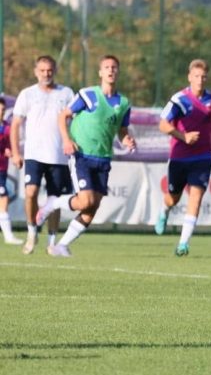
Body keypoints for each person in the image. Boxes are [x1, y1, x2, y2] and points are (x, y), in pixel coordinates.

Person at [36, 55, 135, 257]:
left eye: (114, 67)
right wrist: (66, 140)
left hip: (103, 158)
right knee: (85, 201)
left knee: (91, 208)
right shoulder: (88, 95)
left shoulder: (124, 103)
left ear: (118, 71)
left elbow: (122, 131)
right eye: (106, 67)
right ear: (100, 72)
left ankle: (60, 246)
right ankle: (53, 204)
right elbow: (63, 116)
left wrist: (127, 140)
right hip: (81, 155)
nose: (110, 70)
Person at [154, 59, 211, 256]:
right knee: (173, 198)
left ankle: (183, 243)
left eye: (203, 77)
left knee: (196, 196)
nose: (200, 80)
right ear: (189, 77)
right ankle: (164, 210)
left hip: (202, 157)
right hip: (179, 157)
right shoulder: (179, 99)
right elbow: (163, 124)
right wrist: (183, 136)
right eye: (196, 76)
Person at [10, 55, 75, 254]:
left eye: (49, 70)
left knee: (55, 200)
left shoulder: (66, 93)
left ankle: (52, 241)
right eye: (42, 70)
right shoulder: (27, 94)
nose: (46, 74)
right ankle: (32, 232)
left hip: (58, 156)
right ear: (35, 72)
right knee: (31, 193)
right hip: (33, 154)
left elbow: (75, 120)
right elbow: (15, 125)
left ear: (55, 71)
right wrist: (16, 153)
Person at [0, 96, 23, 245]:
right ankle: (8, 236)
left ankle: (8, 236)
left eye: (2, 110)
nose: (1, 112)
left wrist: (12, 153)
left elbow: (11, 146)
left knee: (3, 198)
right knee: (3, 196)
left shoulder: (7, 128)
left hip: (2, 169)